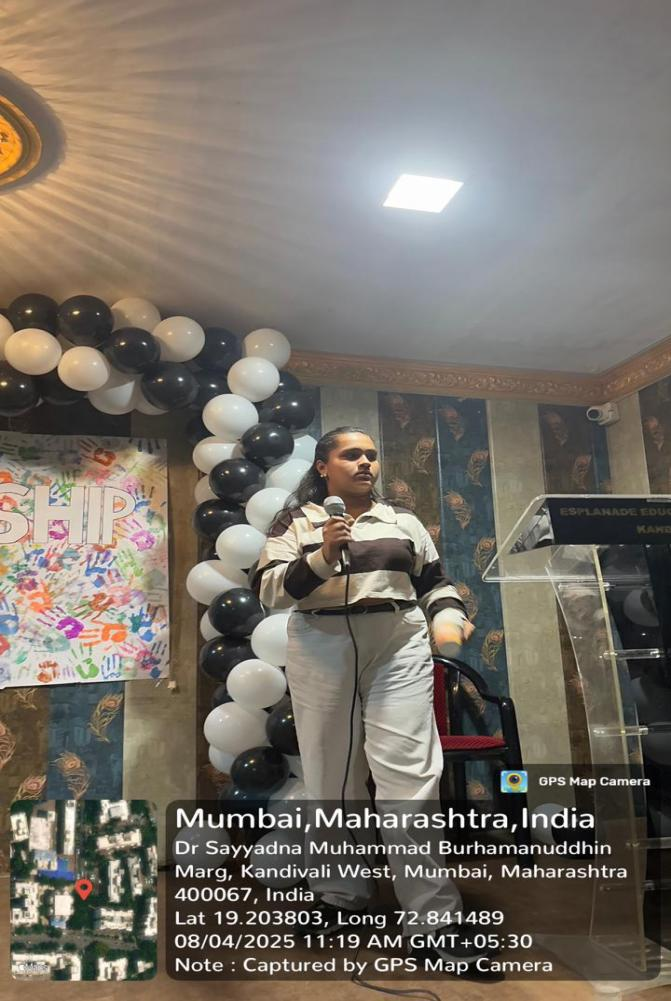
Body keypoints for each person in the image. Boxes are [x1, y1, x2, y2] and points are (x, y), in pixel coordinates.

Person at [252, 426, 500, 979]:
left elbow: (433, 581)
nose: (365, 462)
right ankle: (340, 894)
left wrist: (448, 614)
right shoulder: (296, 522)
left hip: (398, 640)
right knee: (331, 777)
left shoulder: (402, 520)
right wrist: (323, 555)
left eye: (370, 455)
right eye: (351, 454)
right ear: (323, 467)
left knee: (410, 777)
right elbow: (268, 590)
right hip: (321, 643)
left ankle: (434, 922)